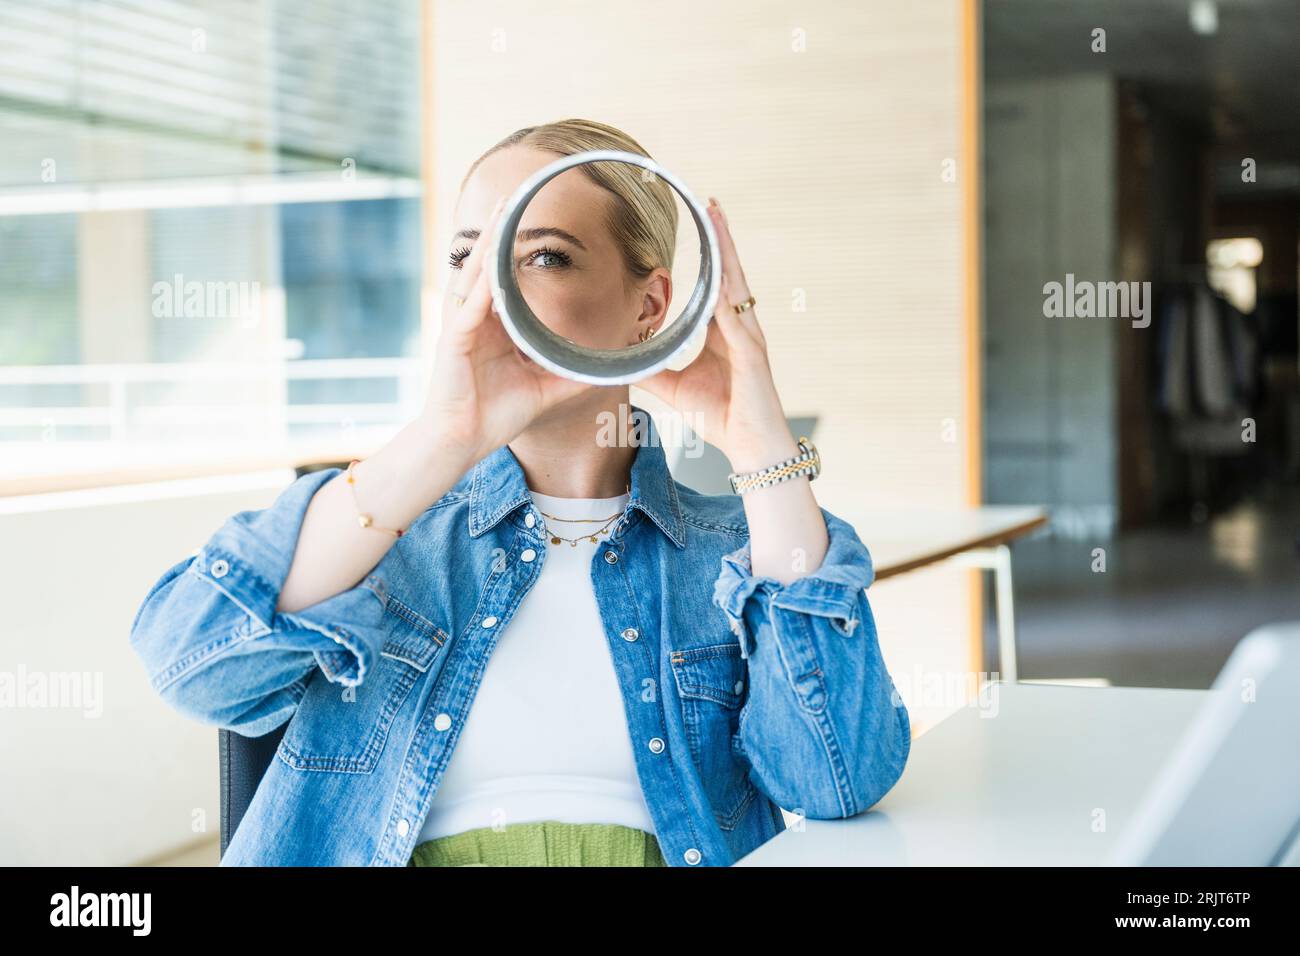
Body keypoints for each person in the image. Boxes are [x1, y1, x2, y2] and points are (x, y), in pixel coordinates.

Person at [129, 117, 911, 867]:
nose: (490, 288)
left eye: (542, 256)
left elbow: (836, 779)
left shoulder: (733, 553)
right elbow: (188, 667)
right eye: (467, 255)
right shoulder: (382, 539)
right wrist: (442, 438)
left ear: (649, 307)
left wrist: (758, 444)